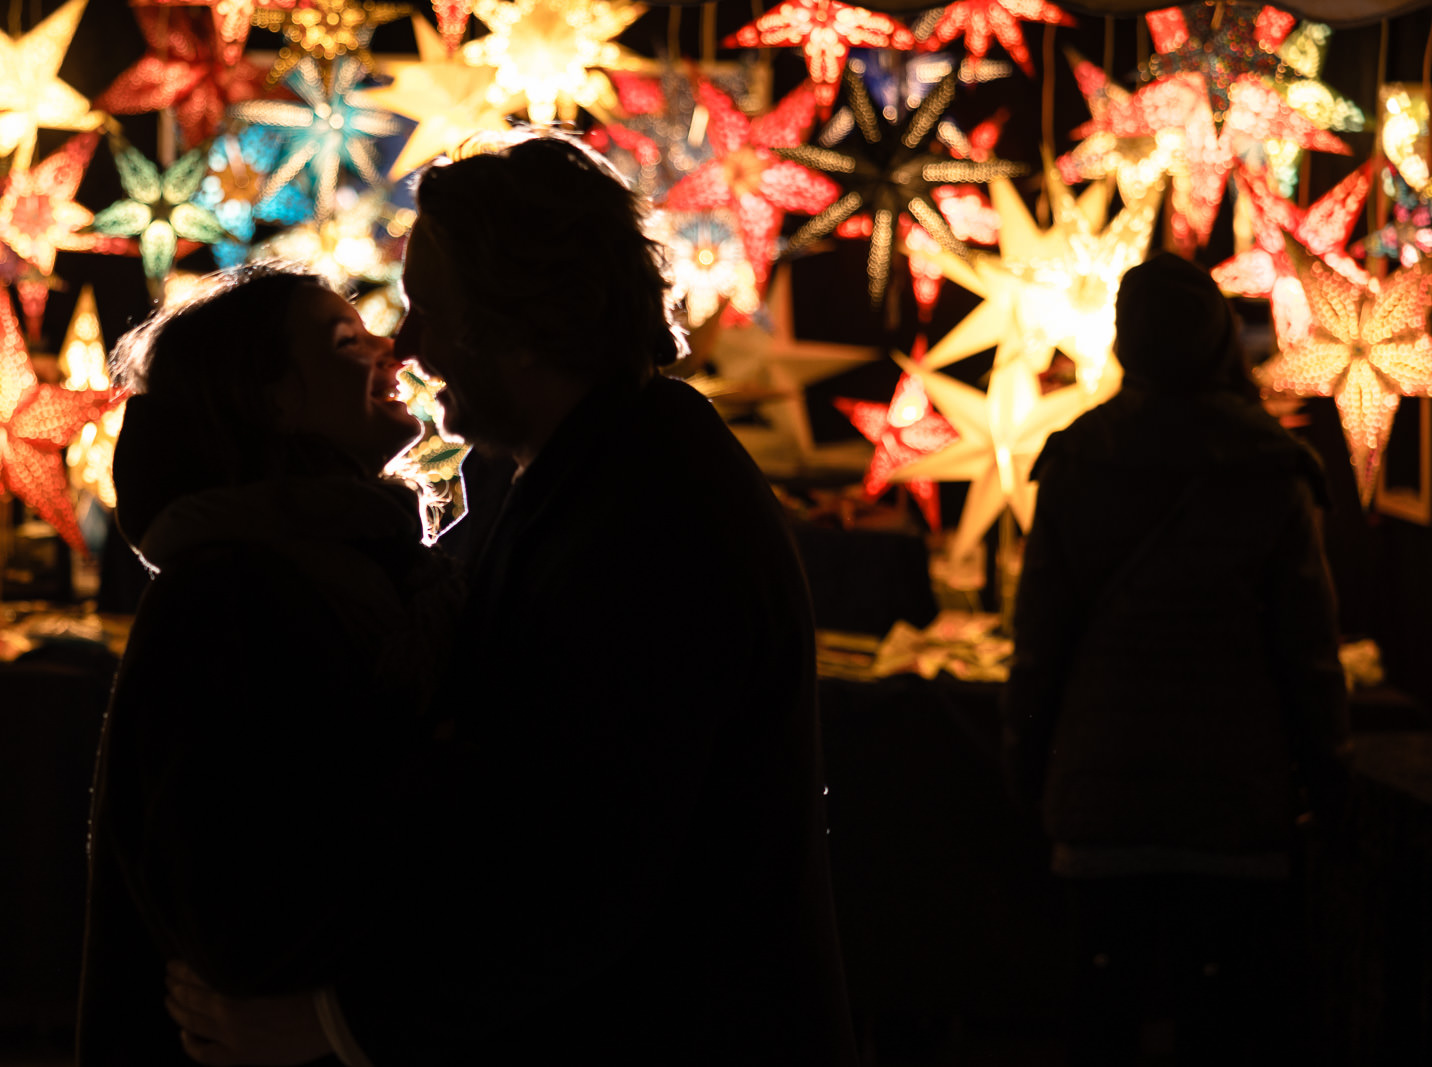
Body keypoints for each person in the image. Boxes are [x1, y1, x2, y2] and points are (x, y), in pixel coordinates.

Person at [166, 135, 859, 1066]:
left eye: (428, 311)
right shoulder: (581, 469)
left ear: (522, 321)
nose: (406, 346)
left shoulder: (651, 508)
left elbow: (589, 872)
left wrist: (332, 1021)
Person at [78, 263, 461, 1066]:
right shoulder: (238, 591)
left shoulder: (336, 563)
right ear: (275, 400)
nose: (392, 346)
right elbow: (239, 905)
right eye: (345, 340)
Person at [1003, 253, 1351, 1065]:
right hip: (1234, 803)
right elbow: (1310, 657)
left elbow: (1040, 646)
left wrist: (1025, 769)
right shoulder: (1274, 469)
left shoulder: (1078, 459)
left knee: (1104, 1020)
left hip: (1102, 797)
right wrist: (1331, 791)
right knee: (1226, 1028)